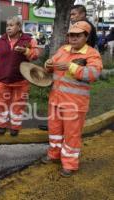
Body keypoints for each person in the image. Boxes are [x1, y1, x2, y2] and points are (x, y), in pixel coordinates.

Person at [41, 21, 102, 177]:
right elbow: (51, 65)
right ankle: (54, 155)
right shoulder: (63, 49)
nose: (73, 38)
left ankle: (69, 164)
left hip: (75, 104)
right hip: (56, 100)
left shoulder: (91, 54)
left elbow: (93, 74)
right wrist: (47, 64)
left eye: (78, 35)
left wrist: (71, 67)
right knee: (54, 132)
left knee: (71, 136)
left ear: (86, 37)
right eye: (71, 35)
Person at [0, 16, 39, 137]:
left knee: (18, 105)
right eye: (7, 26)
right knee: (1, 104)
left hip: (21, 80)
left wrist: (25, 51)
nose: (8, 28)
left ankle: (15, 127)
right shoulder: (1, 40)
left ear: (19, 26)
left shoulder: (29, 40)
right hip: (2, 80)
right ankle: (2, 125)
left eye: (11, 25)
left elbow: (36, 55)